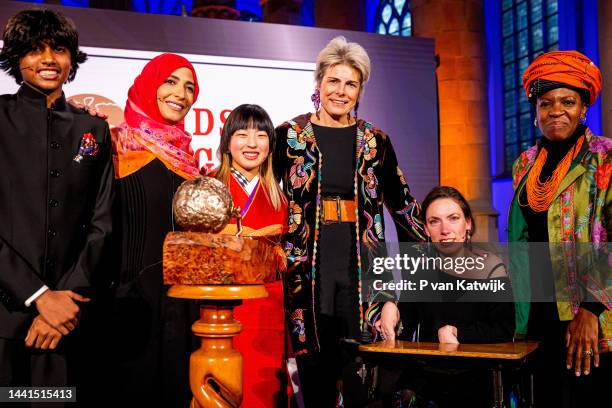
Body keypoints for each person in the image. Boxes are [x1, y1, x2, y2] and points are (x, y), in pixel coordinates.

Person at [274, 36, 425, 406]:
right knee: (315, 381)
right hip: (306, 276)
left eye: (351, 84)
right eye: (334, 81)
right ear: (319, 83)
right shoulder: (288, 136)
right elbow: (258, 194)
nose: (341, 92)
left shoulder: (376, 141)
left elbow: (405, 211)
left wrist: (424, 274)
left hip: (364, 275)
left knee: (365, 385)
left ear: (360, 91)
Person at [0, 7, 113, 396]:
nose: (49, 59)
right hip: (4, 318)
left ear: (72, 60)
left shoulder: (93, 128)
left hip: (68, 320)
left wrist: (64, 301)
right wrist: (38, 296)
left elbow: (102, 223)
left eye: (60, 49)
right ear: (17, 58)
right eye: (35, 49)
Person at [508, 50, 610, 407]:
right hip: (535, 317)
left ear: (584, 108)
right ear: (535, 113)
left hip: (587, 317)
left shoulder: (605, 158)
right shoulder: (524, 165)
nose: (556, 111)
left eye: (568, 101)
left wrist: (590, 310)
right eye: (545, 103)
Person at [108, 53, 200, 406]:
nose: (181, 93)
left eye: (189, 87)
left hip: (181, 304)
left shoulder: (188, 160)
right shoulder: (117, 145)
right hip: (129, 302)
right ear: (150, 84)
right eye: (170, 81)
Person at [389, 186, 514, 407]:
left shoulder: (492, 267)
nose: (445, 229)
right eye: (434, 221)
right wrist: (392, 307)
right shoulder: (420, 270)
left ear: (468, 223)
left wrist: (459, 332)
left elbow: (504, 329)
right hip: (428, 380)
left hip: (476, 378)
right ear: (426, 229)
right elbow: (405, 328)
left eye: (453, 218)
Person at [214, 104, 288, 407]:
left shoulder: (280, 197)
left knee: (264, 387)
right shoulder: (209, 188)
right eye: (242, 134)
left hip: (268, 308)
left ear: (270, 144)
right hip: (223, 307)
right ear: (228, 142)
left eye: (260, 135)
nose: (252, 143)